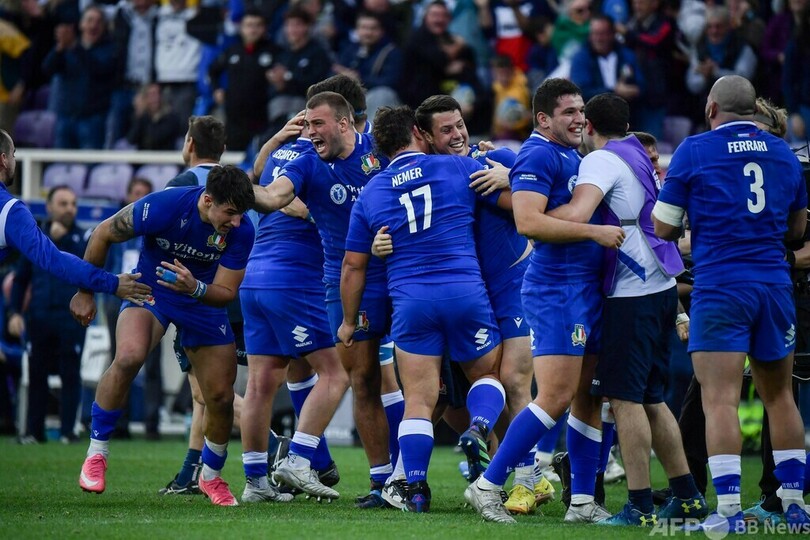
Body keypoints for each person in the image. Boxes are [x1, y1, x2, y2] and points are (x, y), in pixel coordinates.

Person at [652, 75, 810, 532]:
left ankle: (727, 512)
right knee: (780, 396)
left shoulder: (694, 150)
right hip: (774, 286)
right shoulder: (783, 152)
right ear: (754, 110)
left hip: (721, 285)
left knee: (719, 399)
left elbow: (663, 227)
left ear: (711, 109)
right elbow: (797, 229)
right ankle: (793, 504)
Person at [464, 78, 624, 524]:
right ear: (543, 118)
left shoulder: (571, 155)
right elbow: (529, 222)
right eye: (569, 112)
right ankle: (487, 485)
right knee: (554, 396)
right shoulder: (538, 154)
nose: (579, 119)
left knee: (588, 397)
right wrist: (594, 232)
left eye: (581, 111)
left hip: (584, 289)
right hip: (557, 290)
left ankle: (583, 502)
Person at [339, 104, 509, 512]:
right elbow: (516, 197)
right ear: (420, 133)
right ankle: (479, 428)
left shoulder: (371, 192)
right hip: (465, 292)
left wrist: (347, 322)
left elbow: (352, 266)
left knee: (418, 398)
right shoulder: (457, 167)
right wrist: (509, 171)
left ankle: (414, 489)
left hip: (411, 302)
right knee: (486, 375)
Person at [547, 93, 706, 526]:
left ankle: (638, 505)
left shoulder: (601, 160)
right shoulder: (635, 149)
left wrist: (526, 207)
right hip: (661, 287)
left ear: (590, 126)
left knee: (624, 399)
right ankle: (688, 496)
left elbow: (577, 213)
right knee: (652, 398)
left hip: (631, 292)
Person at [71, 162, 256, 507]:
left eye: (240, 214)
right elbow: (103, 233)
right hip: (151, 289)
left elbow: (226, 292)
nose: (235, 222)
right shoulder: (164, 206)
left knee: (220, 397)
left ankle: (211, 476)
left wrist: (194, 286)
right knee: (129, 357)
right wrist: (85, 291)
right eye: (230, 213)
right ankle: (96, 454)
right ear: (207, 200)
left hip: (200, 298)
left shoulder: (242, 230)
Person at [251, 91, 393, 503]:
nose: (309, 132)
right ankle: (381, 481)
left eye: (317, 124)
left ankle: (412, 473)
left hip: (398, 276)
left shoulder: (380, 149)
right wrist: (241, 189)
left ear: (345, 123)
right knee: (361, 378)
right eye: (307, 124)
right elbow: (273, 195)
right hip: (342, 282)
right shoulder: (306, 161)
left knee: (421, 381)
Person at [239, 111, 349, 504]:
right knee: (335, 374)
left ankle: (255, 483)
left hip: (254, 278)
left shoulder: (279, 155)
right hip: (294, 279)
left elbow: (255, 180)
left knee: (259, 384)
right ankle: (299, 459)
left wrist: (272, 142)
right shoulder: (317, 161)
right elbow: (303, 207)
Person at [0, 128, 149, 318]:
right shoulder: (9, 211)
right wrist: (113, 283)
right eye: (13, 155)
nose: (14, 160)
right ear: (3, 159)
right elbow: (53, 260)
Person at [10, 185, 90, 444]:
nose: (70, 209)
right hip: (39, 317)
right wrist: (14, 312)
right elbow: (20, 279)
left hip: (71, 319)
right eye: (63, 203)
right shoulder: (34, 238)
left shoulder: (84, 239)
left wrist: (61, 241)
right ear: (50, 207)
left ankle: (68, 432)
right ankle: (34, 432)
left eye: (73, 204)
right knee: (37, 375)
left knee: (71, 374)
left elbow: (87, 270)